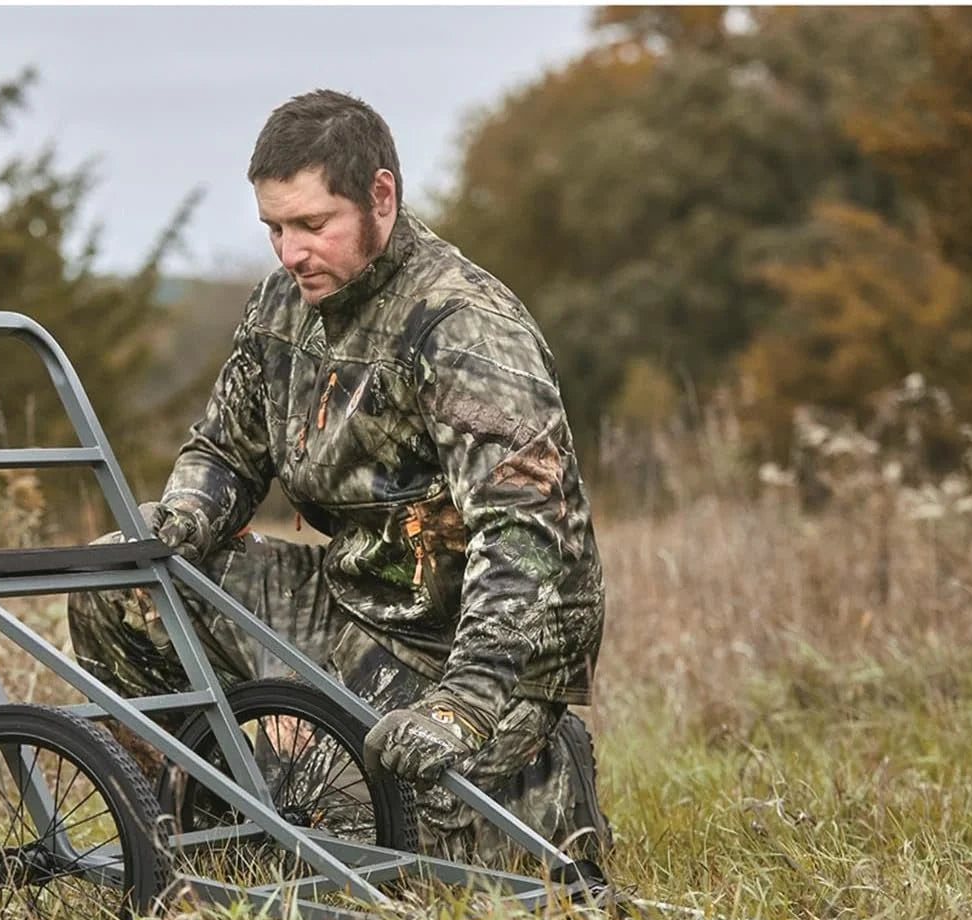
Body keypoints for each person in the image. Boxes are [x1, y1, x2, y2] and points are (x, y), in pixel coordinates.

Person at [69, 88, 609, 866]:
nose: (290, 253)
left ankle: (541, 774)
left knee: (374, 857)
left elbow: (529, 535)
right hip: (346, 598)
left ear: (380, 196)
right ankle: (192, 836)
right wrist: (180, 517)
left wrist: (464, 706)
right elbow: (224, 452)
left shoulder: (464, 326)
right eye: (274, 229)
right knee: (117, 583)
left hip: (461, 649)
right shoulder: (281, 306)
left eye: (312, 225)